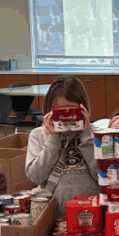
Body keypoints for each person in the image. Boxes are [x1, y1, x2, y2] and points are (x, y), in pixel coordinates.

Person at [25, 76, 100, 204]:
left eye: (72, 111)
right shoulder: (38, 135)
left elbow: (103, 176)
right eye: (60, 113)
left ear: (83, 109)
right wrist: (53, 139)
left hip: (90, 206)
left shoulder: (96, 134)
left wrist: (87, 137)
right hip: (54, 208)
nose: (67, 118)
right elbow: (36, 177)